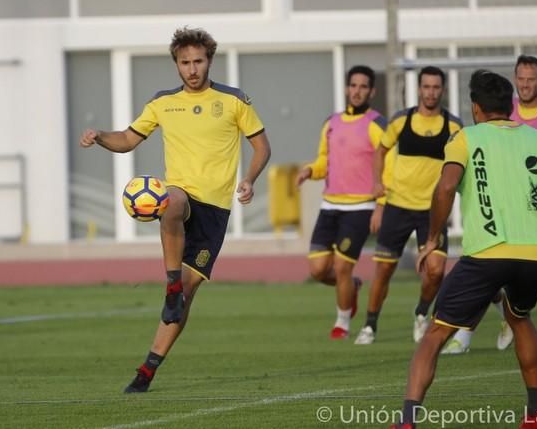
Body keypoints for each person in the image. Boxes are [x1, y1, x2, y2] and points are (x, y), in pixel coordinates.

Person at [390, 69, 537, 429]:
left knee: (436, 332)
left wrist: (433, 238)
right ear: (510, 106)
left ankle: (406, 420)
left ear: (476, 108)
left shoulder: (465, 138)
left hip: (488, 251)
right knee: (519, 318)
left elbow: (444, 188)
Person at [79, 27, 271, 393]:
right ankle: (170, 285)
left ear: (209, 60)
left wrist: (248, 178)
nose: (192, 69)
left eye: (198, 61)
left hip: (215, 209)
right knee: (171, 203)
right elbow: (128, 140)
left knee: (187, 295)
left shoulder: (234, 100)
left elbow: (262, 147)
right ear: (176, 65)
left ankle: (147, 371)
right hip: (181, 194)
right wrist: (100, 136)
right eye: (185, 62)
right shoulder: (162, 102)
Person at [446, 55, 537, 354]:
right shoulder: (502, 108)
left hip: (531, 208)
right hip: (499, 199)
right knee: (492, 268)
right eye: (521, 78)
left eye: (531, 79)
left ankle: (478, 328)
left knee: (495, 270)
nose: (526, 84)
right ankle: (472, 332)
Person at [353, 66, 462, 345]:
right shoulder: (402, 120)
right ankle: (370, 325)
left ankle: (421, 314)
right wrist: (377, 182)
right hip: (397, 207)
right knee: (384, 270)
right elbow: (381, 151)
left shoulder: (454, 126)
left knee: (436, 270)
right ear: (419, 89)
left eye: (436, 87)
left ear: (443, 90)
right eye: (426, 86)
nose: (430, 92)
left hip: (433, 212)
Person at [296, 65, 387, 339]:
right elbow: (325, 160)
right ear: (347, 88)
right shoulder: (331, 122)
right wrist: (311, 170)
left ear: (372, 91)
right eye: (353, 86)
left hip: (359, 208)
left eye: (363, 86)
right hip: (330, 206)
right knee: (318, 270)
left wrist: (380, 204)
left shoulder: (376, 124)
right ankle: (352, 288)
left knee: (342, 267)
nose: (357, 91)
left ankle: (342, 324)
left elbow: (387, 166)